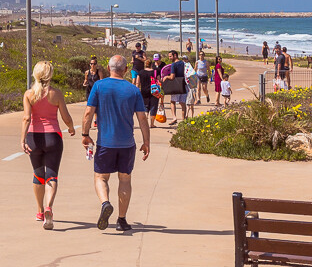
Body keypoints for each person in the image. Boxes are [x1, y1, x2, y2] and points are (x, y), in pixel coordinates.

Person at [81, 55, 151, 233]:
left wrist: (85, 134)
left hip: (106, 143)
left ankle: (105, 203)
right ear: (126, 70)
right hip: (127, 143)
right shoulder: (133, 90)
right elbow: (142, 117)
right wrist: (146, 141)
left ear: (108, 67)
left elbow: (89, 112)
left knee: (101, 177)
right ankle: (122, 220)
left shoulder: (99, 86)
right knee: (125, 179)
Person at [21, 61, 76, 230]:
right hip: (53, 137)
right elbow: (65, 116)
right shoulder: (56, 94)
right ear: (50, 75)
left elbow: (26, 118)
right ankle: (48, 207)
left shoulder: (29, 94)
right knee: (52, 174)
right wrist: (71, 127)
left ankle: (39, 211)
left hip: (34, 137)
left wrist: (22, 139)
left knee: (38, 174)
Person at [164, 49, 190, 122]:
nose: (169, 58)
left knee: (172, 102)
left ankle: (174, 117)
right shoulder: (183, 63)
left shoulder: (174, 64)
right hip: (184, 85)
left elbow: (172, 77)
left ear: (175, 55)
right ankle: (183, 119)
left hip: (176, 85)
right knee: (182, 103)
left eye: (170, 56)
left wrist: (166, 77)